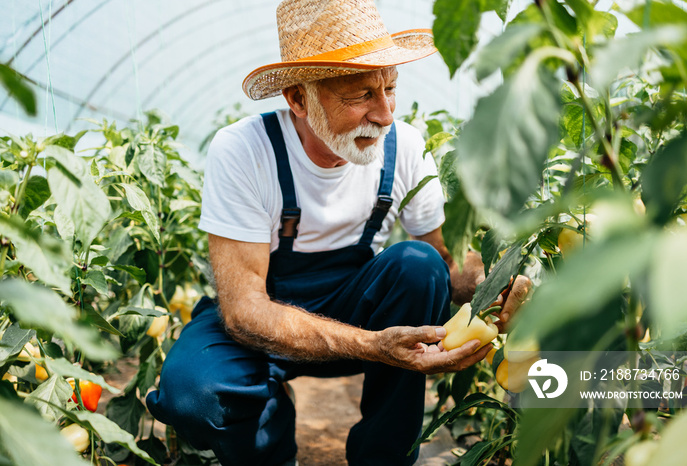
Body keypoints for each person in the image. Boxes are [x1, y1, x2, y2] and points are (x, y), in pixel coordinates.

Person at [146, 0, 531, 465]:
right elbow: (245, 310)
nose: (386, 113)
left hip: (353, 307)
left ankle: (384, 456)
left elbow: (448, 263)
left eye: (390, 87)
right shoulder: (245, 150)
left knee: (418, 266)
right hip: (261, 327)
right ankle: (268, 430)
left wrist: (500, 282)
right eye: (361, 95)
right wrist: (373, 345)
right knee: (194, 396)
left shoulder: (404, 147)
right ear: (299, 99)